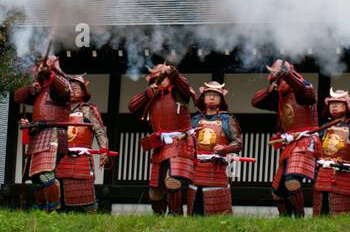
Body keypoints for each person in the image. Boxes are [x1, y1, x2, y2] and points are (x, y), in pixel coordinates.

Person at [128, 62, 197, 215]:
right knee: (155, 191)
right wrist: (147, 93)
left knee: (172, 182)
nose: (161, 81)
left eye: (164, 77)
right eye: (157, 79)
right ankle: (158, 219)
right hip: (160, 144)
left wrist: (174, 73)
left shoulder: (180, 91)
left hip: (180, 140)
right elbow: (132, 107)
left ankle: (175, 216)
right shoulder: (152, 95)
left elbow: (185, 86)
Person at [252, 58, 318, 217]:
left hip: (305, 141)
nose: (278, 74)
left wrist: (288, 75)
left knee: (292, 182)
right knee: (277, 194)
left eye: (280, 71)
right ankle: (286, 223)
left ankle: (300, 218)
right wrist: (272, 86)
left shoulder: (303, 86)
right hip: (289, 144)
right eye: (275, 71)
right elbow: (255, 102)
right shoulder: (279, 94)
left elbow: (307, 95)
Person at [11, 55, 72, 211]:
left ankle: (53, 206)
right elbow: (18, 96)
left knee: (45, 172)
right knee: (35, 176)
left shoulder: (62, 81)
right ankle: (42, 207)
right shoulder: (41, 88)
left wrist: (51, 75)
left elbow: (64, 91)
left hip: (53, 132)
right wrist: (32, 88)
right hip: (38, 134)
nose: (39, 66)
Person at [188, 82, 243, 216]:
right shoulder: (195, 119)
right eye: (208, 95)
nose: (211, 98)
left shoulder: (227, 119)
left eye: (215, 95)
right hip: (197, 169)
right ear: (203, 98)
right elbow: (186, 141)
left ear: (221, 99)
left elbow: (238, 142)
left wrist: (225, 148)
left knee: (218, 208)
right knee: (195, 207)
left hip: (217, 168)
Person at [313, 90, 350, 216]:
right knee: (320, 215)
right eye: (332, 103)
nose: (334, 106)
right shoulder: (324, 127)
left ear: (346, 106)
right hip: (322, 176)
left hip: (343, 177)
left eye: (338, 103)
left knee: (342, 216)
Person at [57, 74, 110, 212]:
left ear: (83, 92)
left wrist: (104, 150)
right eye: (70, 87)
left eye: (77, 88)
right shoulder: (60, 110)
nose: (73, 90)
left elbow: (100, 132)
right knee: (59, 189)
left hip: (82, 156)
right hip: (61, 155)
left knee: (83, 190)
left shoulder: (89, 110)